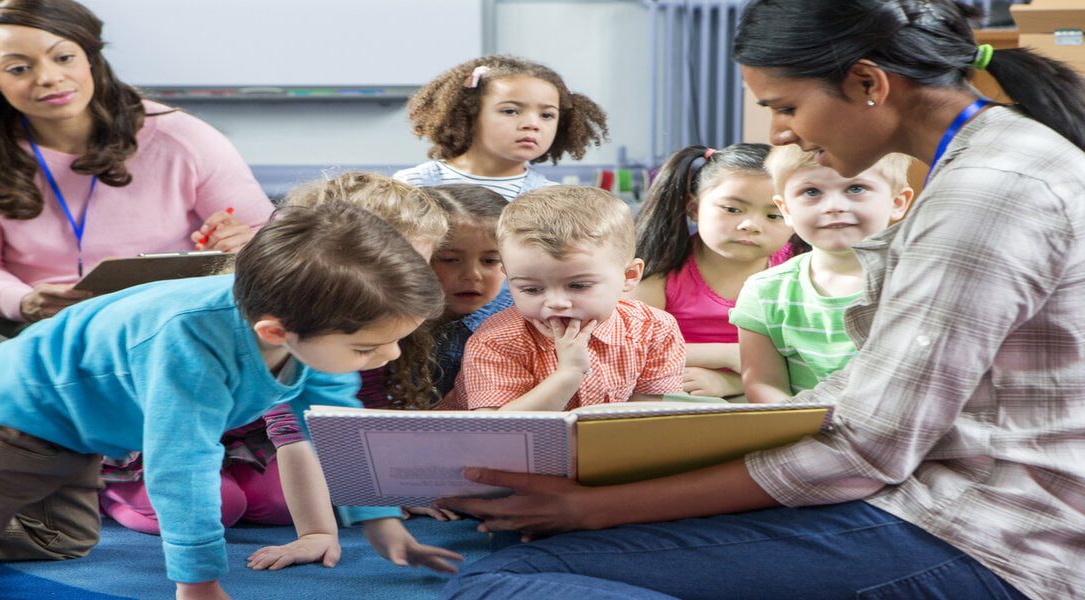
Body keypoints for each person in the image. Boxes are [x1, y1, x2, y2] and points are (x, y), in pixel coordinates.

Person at [435, 1, 1085, 598]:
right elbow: (860, 407)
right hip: (944, 497)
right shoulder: (991, 159)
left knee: (508, 578)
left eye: (784, 106)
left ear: (868, 84)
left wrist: (589, 506)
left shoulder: (987, 190)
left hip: (983, 536)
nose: (778, 134)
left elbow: (865, 450)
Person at [0, 202, 462, 600]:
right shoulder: (190, 342)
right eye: (368, 347)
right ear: (275, 332)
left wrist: (379, 519)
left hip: (72, 430)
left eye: (397, 340)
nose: (388, 358)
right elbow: (180, 465)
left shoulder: (296, 327)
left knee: (55, 540)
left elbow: (333, 426)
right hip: (0, 420)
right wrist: (198, 580)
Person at [0, 0, 274, 425]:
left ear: (89, 56)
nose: (49, 78)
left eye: (64, 57)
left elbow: (267, 238)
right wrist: (25, 301)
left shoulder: (181, 137)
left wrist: (243, 242)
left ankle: (24, 401)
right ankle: (76, 403)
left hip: (163, 332)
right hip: (35, 335)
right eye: (18, 68)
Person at [97, 172, 451, 542]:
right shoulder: (283, 318)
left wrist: (389, 488)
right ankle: (110, 490)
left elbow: (361, 409)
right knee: (220, 506)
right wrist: (317, 533)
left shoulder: (379, 313)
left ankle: (233, 478)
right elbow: (293, 429)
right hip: (170, 439)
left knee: (281, 503)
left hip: (251, 439)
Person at [440, 185, 686, 411]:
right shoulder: (496, 341)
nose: (556, 302)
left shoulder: (654, 329)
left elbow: (644, 418)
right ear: (509, 277)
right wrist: (569, 373)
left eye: (578, 285)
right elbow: (501, 434)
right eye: (532, 289)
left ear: (629, 275)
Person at [732, 147, 913, 403]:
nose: (834, 206)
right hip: (804, 431)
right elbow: (763, 384)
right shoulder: (764, 291)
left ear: (897, 203)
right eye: (812, 192)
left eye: (856, 189)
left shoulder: (921, 281)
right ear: (786, 210)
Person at [628, 144, 797, 398]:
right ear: (694, 207)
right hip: (675, 394)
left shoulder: (798, 271)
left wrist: (734, 380)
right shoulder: (659, 269)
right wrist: (729, 354)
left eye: (773, 216)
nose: (750, 225)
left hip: (769, 392)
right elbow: (626, 349)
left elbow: (810, 353)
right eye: (732, 209)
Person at [394, 55, 608, 200]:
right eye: (510, 111)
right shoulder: (413, 184)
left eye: (547, 115)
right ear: (470, 113)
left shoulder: (551, 198)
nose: (532, 124)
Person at [424, 184, 513, 399]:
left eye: (490, 261)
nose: (472, 275)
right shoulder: (391, 320)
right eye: (450, 260)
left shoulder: (518, 324)